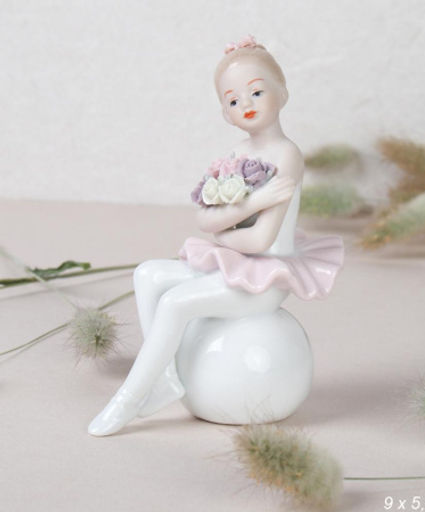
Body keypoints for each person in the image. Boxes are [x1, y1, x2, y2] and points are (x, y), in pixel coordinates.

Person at [88, 36, 343, 436]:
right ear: (225, 113)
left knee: (174, 303)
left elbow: (259, 241)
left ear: (282, 93)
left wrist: (224, 231)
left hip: (266, 279)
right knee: (148, 274)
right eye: (233, 100)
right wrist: (250, 204)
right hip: (235, 263)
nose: (247, 105)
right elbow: (203, 218)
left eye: (256, 92)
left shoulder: (286, 155)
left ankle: (129, 399)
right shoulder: (238, 152)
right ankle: (166, 379)